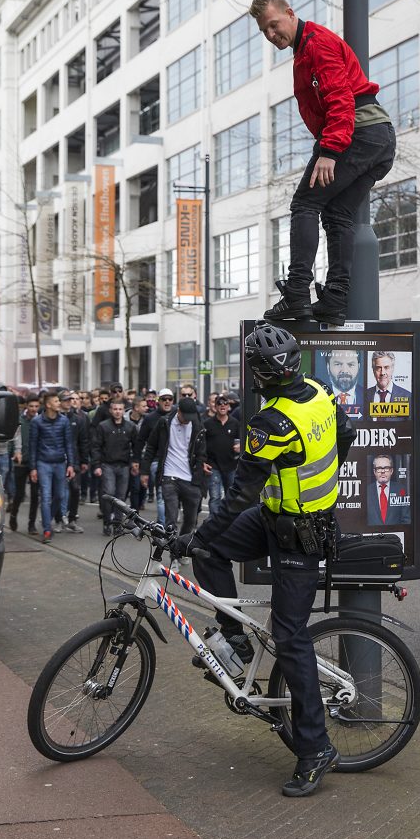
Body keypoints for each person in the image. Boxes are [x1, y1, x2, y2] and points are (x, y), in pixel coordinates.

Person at [174, 322, 356, 798]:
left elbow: (236, 499)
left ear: (260, 372)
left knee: (290, 636)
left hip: (299, 537)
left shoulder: (270, 423)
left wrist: (189, 533)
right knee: (208, 551)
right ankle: (234, 640)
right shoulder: (320, 391)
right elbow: (347, 435)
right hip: (279, 517)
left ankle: (316, 749)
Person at [250, 0, 396, 326]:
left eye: (274, 25)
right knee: (337, 213)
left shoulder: (318, 44)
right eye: (265, 32)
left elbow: (340, 98)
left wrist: (330, 151)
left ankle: (297, 293)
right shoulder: (304, 51)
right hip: (374, 136)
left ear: (289, 12)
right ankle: (334, 299)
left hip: (356, 132)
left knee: (305, 204)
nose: (272, 35)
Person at [140, 397, 206, 555]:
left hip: (191, 479)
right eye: (185, 417)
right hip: (169, 476)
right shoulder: (164, 423)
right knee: (171, 518)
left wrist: (202, 466)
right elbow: (151, 447)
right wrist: (144, 471)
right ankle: (173, 554)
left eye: (190, 418)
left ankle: (181, 548)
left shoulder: (197, 425)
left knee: (191, 520)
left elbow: (202, 452)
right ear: (179, 411)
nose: (187, 421)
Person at [28, 391, 76, 543]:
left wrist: (70, 465)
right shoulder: (37, 422)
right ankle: (47, 529)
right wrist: (33, 468)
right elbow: (33, 445)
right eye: (56, 401)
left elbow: (69, 444)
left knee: (60, 495)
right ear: (48, 404)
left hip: (60, 463)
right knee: (46, 496)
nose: (59, 403)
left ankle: (47, 518)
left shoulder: (64, 421)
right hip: (43, 463)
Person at [91, 399, 141, 535]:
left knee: (121, 497)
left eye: (120, 409)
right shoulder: (103, 426)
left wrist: (136, 461)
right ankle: (107, 522)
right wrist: (96, 465)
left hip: (124, 465)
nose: (117, 412)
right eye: (115, 409)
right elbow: (96, 447)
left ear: (123, 410)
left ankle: (118, 523)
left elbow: (137, 445)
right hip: (107, 465)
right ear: (111, 410)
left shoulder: (130, 427)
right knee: (109, 493)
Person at [137, 387, 175, 520]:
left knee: (174, 495)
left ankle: (169, 524)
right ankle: (162, 526)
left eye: (170, 399)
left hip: (176, 461)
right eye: (164, 399)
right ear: (159, 401)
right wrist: (141, 467)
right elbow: (142, 442)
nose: (167, 402)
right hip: (157, 461)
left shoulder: (178, 416)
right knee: (161, 494)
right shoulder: (150, 418)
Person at [55, 390, 89, 533]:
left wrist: (84, 460)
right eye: (66, 400)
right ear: (60, 402)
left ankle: (72, 519)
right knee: (58, 492)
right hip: (57, 459)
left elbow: (83, 441)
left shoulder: (78, 419)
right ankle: (58, 519)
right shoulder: (55, 418)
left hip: (74, 459)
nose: (69, 402)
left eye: (71, 400)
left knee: (75, 490)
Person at [203, 394, 240, 516]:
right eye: (219, 403)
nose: (222, 406)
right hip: (213, 465)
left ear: (229, 407)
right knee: (215, 497)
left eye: (225, 404)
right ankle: (213, 523)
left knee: (231, 496)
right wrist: (203, 462)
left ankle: (228, 522)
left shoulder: (235, 423)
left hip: (231, 465)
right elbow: (202, 445)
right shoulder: (208, 424)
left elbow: (242, 440)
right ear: (215, 406)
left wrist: (240, 447)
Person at [11, 393, 41, 534]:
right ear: (26, 406)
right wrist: (15, 453)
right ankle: (13, 515)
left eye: (36, 406)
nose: (34, 409)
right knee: (19, 493)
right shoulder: (19, 420)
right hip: (21, 461)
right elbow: (13, 438)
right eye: (31, 406)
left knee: (35, 495)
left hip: (36, 462)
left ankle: (31, 524)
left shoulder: (41, 420)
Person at [366, 454, 411, 526]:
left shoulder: (401, 490)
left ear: (391, 471)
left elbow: (406, 520)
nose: (383, 471)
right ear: (374, 471)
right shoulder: (366, 491)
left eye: (386, 468)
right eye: (379, 468)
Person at [324, 349, 364, 420]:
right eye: (338, 364)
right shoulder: (319, 397)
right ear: (328, 367)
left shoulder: (369, 396)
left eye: (351, 364)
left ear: (359, 367)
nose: (345, 370)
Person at [126, 396, 149, 510]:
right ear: (136, 408)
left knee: (143, 484)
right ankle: (133, 510)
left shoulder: (147, 420)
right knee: (134, 485)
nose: (147, 408)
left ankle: (140, 503)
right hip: (128, 455)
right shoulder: (125, 418)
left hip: (144, 455)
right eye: (143, 406)